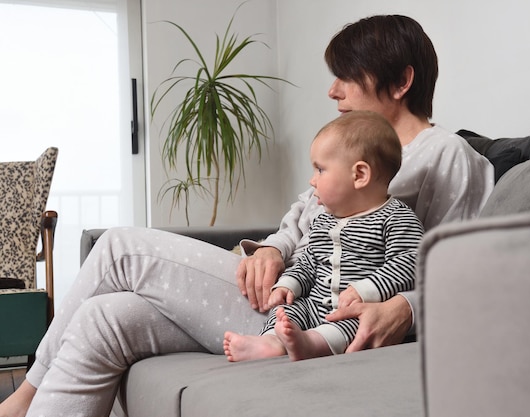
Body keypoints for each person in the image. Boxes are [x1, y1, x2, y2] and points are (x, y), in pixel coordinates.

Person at [0, 14, 493, 417]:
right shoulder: (344, 152)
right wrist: (274, 250)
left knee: (119, 248)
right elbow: (297, 225)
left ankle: (22, 399)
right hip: (283, 290)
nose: (333, 91)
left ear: (401, 80)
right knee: (104, 315)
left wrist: (406, 307)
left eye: (347, 76)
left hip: (309, 315)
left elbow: (459, 272)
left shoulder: (446, 155)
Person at [224, 110, 424, 362]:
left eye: (320, 170)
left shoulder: (396, 217)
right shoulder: (323, 221)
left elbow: (410, 263)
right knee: (287, 310)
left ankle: (310, 343)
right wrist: (288, 285)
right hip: (313, 305)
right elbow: (308, 263)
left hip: (353, 312)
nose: (312, 180)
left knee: (353, 324)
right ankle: (271, 342)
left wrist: (367, 289)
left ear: (359, 175)